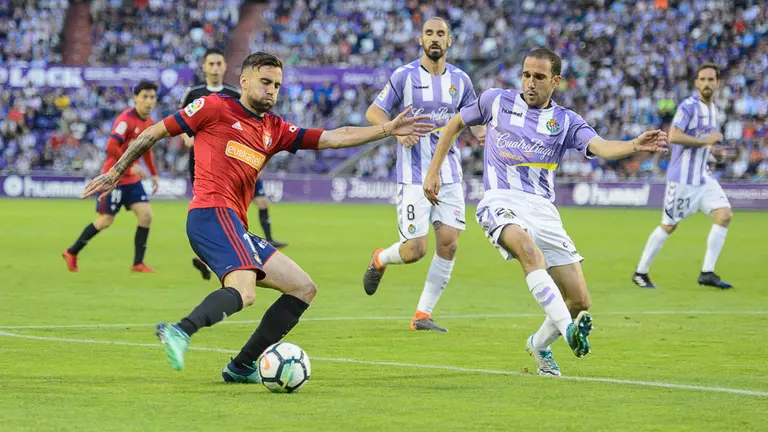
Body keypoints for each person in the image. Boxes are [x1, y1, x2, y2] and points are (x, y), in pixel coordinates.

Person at [81, 52, 433, 382]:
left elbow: (334, 137)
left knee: (303, 287)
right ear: (244, 81)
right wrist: (115, 172)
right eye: (266, 82)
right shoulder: (213, 107)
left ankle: (241, 366)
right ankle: (180, 330)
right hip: (210, 213)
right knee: (244, 290)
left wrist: (387, 129)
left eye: (277, 85)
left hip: (236, 223)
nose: (272, 90)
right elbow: (154, 132)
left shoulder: (275, 129)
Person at [423, 48, 668, 376]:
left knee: (580, 301)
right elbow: (454, 123)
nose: (530, 82)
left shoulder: (566, 121)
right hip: (501, 199)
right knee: (527, 250)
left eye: (539, 77)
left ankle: (539, 345)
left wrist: (634, 145)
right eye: (526, 74)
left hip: (543, 209)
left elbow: (602, 147)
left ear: (555, 81)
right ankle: (569, 331)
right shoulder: (495, 101)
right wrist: (434, 170)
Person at [362, 17, 485, 332]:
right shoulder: (403, 76)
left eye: (440, 34)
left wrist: (484, 133)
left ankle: (422, 315)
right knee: (415, 251)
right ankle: (381, 258)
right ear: (420, 40)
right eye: (429, 33)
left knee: (449, 243)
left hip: (450, 175)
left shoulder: (461, 80)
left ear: (449, 41)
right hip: (413, 175)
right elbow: (373, 112)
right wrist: (394, 131)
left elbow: (475, 116)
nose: (434, 38)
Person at [180, 48, 287, 281]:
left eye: (220, 63)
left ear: (225, 66)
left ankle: (245, 246)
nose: (216, 68)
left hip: (242, 161)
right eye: (212, 63)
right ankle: (218, 257)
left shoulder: (232, 93)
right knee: (215, 206)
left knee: (246, 204)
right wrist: (189, 139)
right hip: (206, 163)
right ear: (205, 67)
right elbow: (182, 123)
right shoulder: (194, 93)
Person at [633, 63, 733, 290]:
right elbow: (674, 135)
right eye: (703, 79)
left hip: (703, 178)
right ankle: (640, 273)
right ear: (697, 83)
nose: (707, 84)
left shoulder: (714, 110)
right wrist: (706, 142)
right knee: (668, 226)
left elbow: (703, 145)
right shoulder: (688, 106)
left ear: (717, 83)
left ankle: (707, 273)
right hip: (682, 181)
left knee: (725, 215)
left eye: (711, 80)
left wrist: (714, 152)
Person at [62, 81, 160, 273]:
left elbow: (147, 151)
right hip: (114, 179)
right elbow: (110, 147)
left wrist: (154, 174)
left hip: (132, 181)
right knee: (106, 220)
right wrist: (131, 166)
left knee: (146, 216)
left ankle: (138, 263)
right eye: (145, 97)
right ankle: (71, 252)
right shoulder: (126, 120)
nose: (149, 101)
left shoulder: (150, 124)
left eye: (152, 97)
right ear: (135, 99)